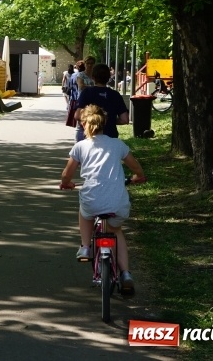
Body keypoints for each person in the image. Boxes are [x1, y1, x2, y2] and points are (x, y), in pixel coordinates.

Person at [59, 104, 146, 296]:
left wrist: (67, 184)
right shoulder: (117, 144)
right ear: (104, 123)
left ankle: (85, 247)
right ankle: (125, 274)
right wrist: (138, 176)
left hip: (92, 200)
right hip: (117, 203)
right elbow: (136, 168)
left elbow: (67, 174)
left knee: (84, 211)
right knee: (116, 231)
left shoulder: (80, 147)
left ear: (83, 125)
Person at [74, 63, 129, 142]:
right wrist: (110, 120)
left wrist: (93, 120)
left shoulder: (87, 92)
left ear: (93, 77)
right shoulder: (115, 95)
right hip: (110, 137)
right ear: (109, 77)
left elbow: (77, 115)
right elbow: (125, 120)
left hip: (89, 136)